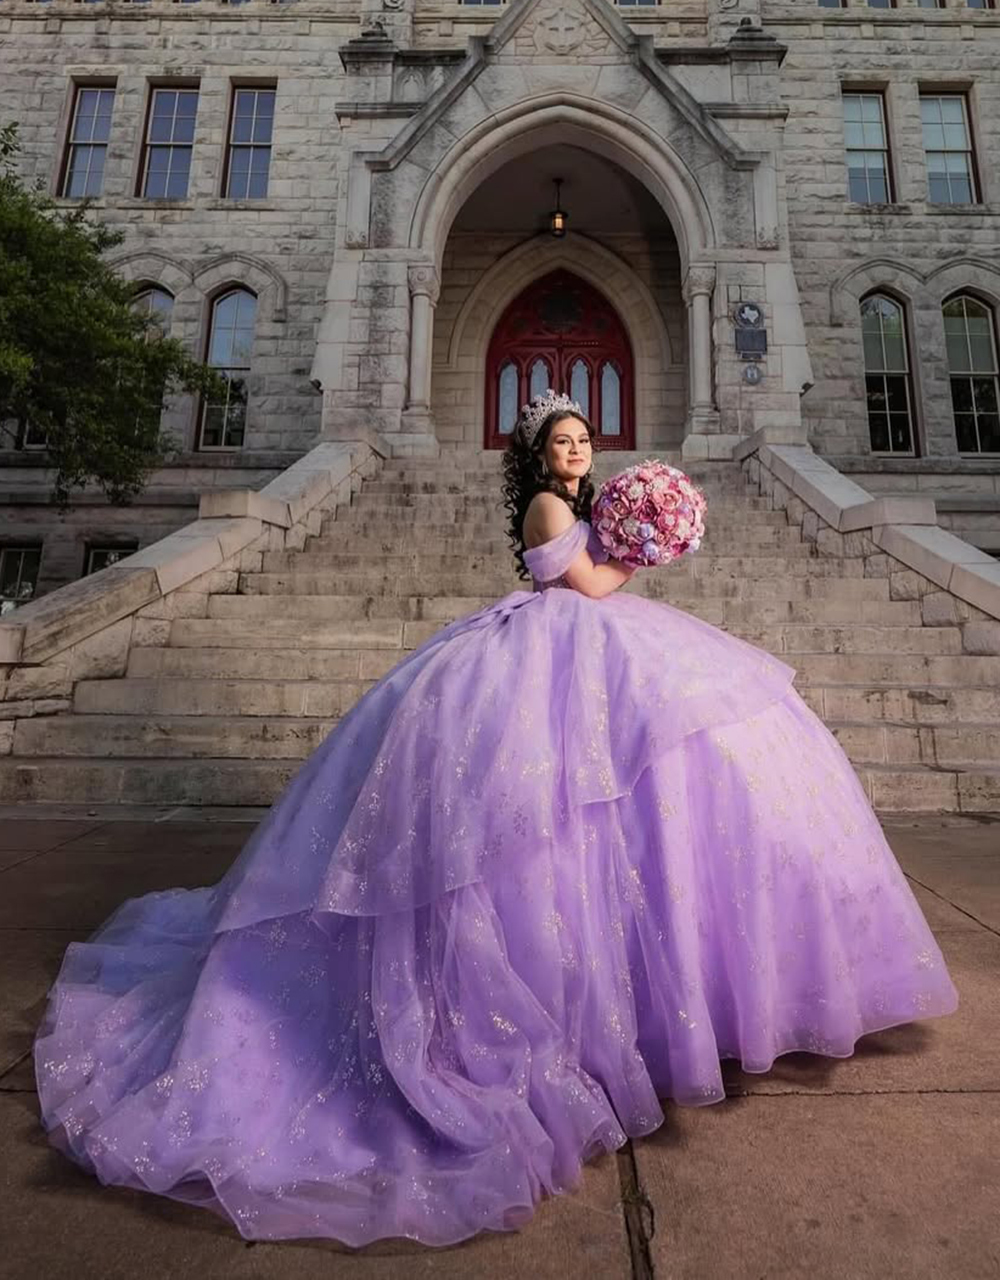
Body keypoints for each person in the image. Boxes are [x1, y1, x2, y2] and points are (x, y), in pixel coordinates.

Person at [33, 389, 959, 1248]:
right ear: (536, 456)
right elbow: (589, 588)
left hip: (597, 655)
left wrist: (641, 532)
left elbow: (604, 581)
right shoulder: (551, 512)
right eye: (562, 442)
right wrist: (643, 546)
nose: (575, 451)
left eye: (584, 441)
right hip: (549, 659)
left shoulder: (585, 503)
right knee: (538, 820)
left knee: (660, 800)